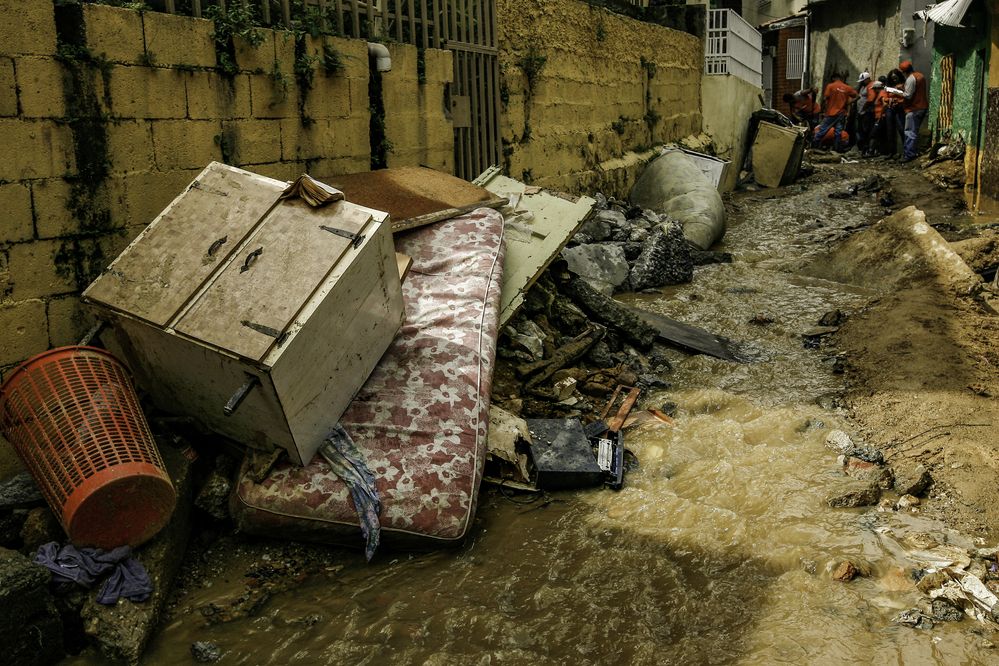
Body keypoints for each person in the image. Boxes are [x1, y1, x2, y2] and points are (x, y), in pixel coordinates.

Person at [812, 72, 858, 152]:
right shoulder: (847, 87)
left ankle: (814, 147)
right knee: (838, 131)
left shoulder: (830, 86)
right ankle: (837, 149)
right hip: (841, 113)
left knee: (823, 130)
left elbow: (825, 98)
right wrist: (848, 103)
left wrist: (823, 109)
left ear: (833, 78)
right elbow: (857, 96)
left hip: (831, 112)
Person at [898, 60, 929, 162]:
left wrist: (898, 92)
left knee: (909, 132)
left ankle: (909, 155)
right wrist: (903, 87)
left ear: (904, 72)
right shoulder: (920, 75)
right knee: (914, 131)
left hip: (914, 108)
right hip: (922, 107)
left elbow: (908, 95)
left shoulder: (910, 79)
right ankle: (913, 152)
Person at [855, 72, 876, 154]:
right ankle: (863, 148)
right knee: (861, 130)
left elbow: (870, 99)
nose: (862, 82)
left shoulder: (871, 85)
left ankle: (867, 148)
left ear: (868, 79)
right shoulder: (864, 86)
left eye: (863, 80)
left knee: (866, 130)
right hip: (861, 112)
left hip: (866, 112)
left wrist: (864, 108)